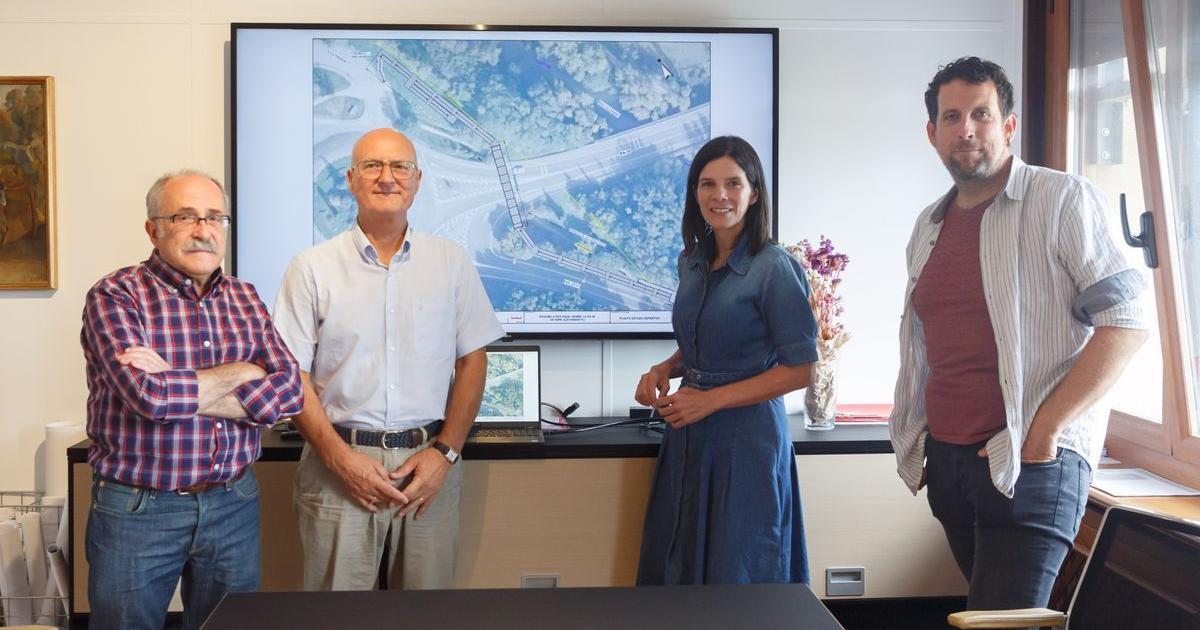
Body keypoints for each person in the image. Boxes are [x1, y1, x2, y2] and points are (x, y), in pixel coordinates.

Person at [890, 56, 1149, 612]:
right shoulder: (928, 225)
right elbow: (927, 346)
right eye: (951, 117)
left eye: (981, 114)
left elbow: (1127, 323)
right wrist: (928, 443)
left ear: (1008, 125)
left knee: (1000, 623)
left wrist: (1045, 432)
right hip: (951, 466)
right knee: (986, 618)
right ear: (932, 133)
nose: (966, 129)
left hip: (1032, 463)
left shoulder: (1063, 200)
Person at [273, 128, 504, 591]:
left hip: (428, 463)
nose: (386, 177)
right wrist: (340, 460)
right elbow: (291, 374)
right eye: (372, 166)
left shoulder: (451, 262)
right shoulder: (311, 267)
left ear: (417, 180)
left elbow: (472, 361)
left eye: (400, 166)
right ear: (350, 180)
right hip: (337, 463)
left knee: (423, 615)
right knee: (335, 618)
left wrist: (445, 454)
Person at [80, 170, 304, 630]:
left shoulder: (244, 296)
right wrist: (245, 372)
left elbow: (289, 394)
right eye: (185, 217)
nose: (204, 230)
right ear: (153, 229)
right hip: (139, 507)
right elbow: (149, 398)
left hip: (233, 500)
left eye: (215, 217)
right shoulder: (115, 295)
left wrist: (174, 379)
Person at [634, 136, 819, 585]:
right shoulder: (692, 261)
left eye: (733, 183)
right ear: (695, 194)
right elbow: (704, 339)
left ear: (754, 193)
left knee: (740, 571)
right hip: (688, 432)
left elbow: (802, 369)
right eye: (708, 184)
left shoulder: (774, 267)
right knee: (679, 563)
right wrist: (665, 369)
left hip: (747, 440)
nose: (720, 195)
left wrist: (710, 400)